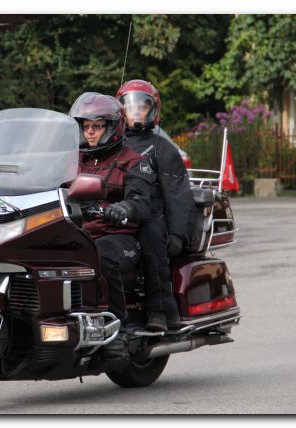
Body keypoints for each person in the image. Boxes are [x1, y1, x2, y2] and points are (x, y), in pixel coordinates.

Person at [69, 92, 154, 356]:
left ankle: (119, 329)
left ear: (112, 127)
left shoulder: (133, 162)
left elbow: (142, 204)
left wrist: (122, 208)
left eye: (96, 126)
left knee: (101, 257)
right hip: (81, 232)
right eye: (86, 127)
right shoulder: (74, 160)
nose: (90, 133)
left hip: (119, 237)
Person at [116, 79, 196, 332]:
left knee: (151, 239)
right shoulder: (113, 144)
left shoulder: (163, 147)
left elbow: (178, 193)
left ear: (153, 110)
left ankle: (162, 310)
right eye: (131, 107)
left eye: (142, 106)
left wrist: (177, 234)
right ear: (121, 110)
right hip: (119, 210)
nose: (136, 111)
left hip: (152, 213)